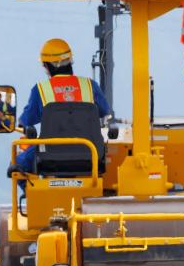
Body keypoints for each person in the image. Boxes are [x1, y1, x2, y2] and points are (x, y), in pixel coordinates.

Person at [13, 38, 112, 172]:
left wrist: (22, 125)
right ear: (70, 60)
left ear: (47, 66)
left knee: (17, 165)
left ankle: (25, 185)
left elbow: (26, 121)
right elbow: (106, 112)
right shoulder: (90, 86)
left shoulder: (40, 90)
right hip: (91, 155)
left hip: (50, 157)